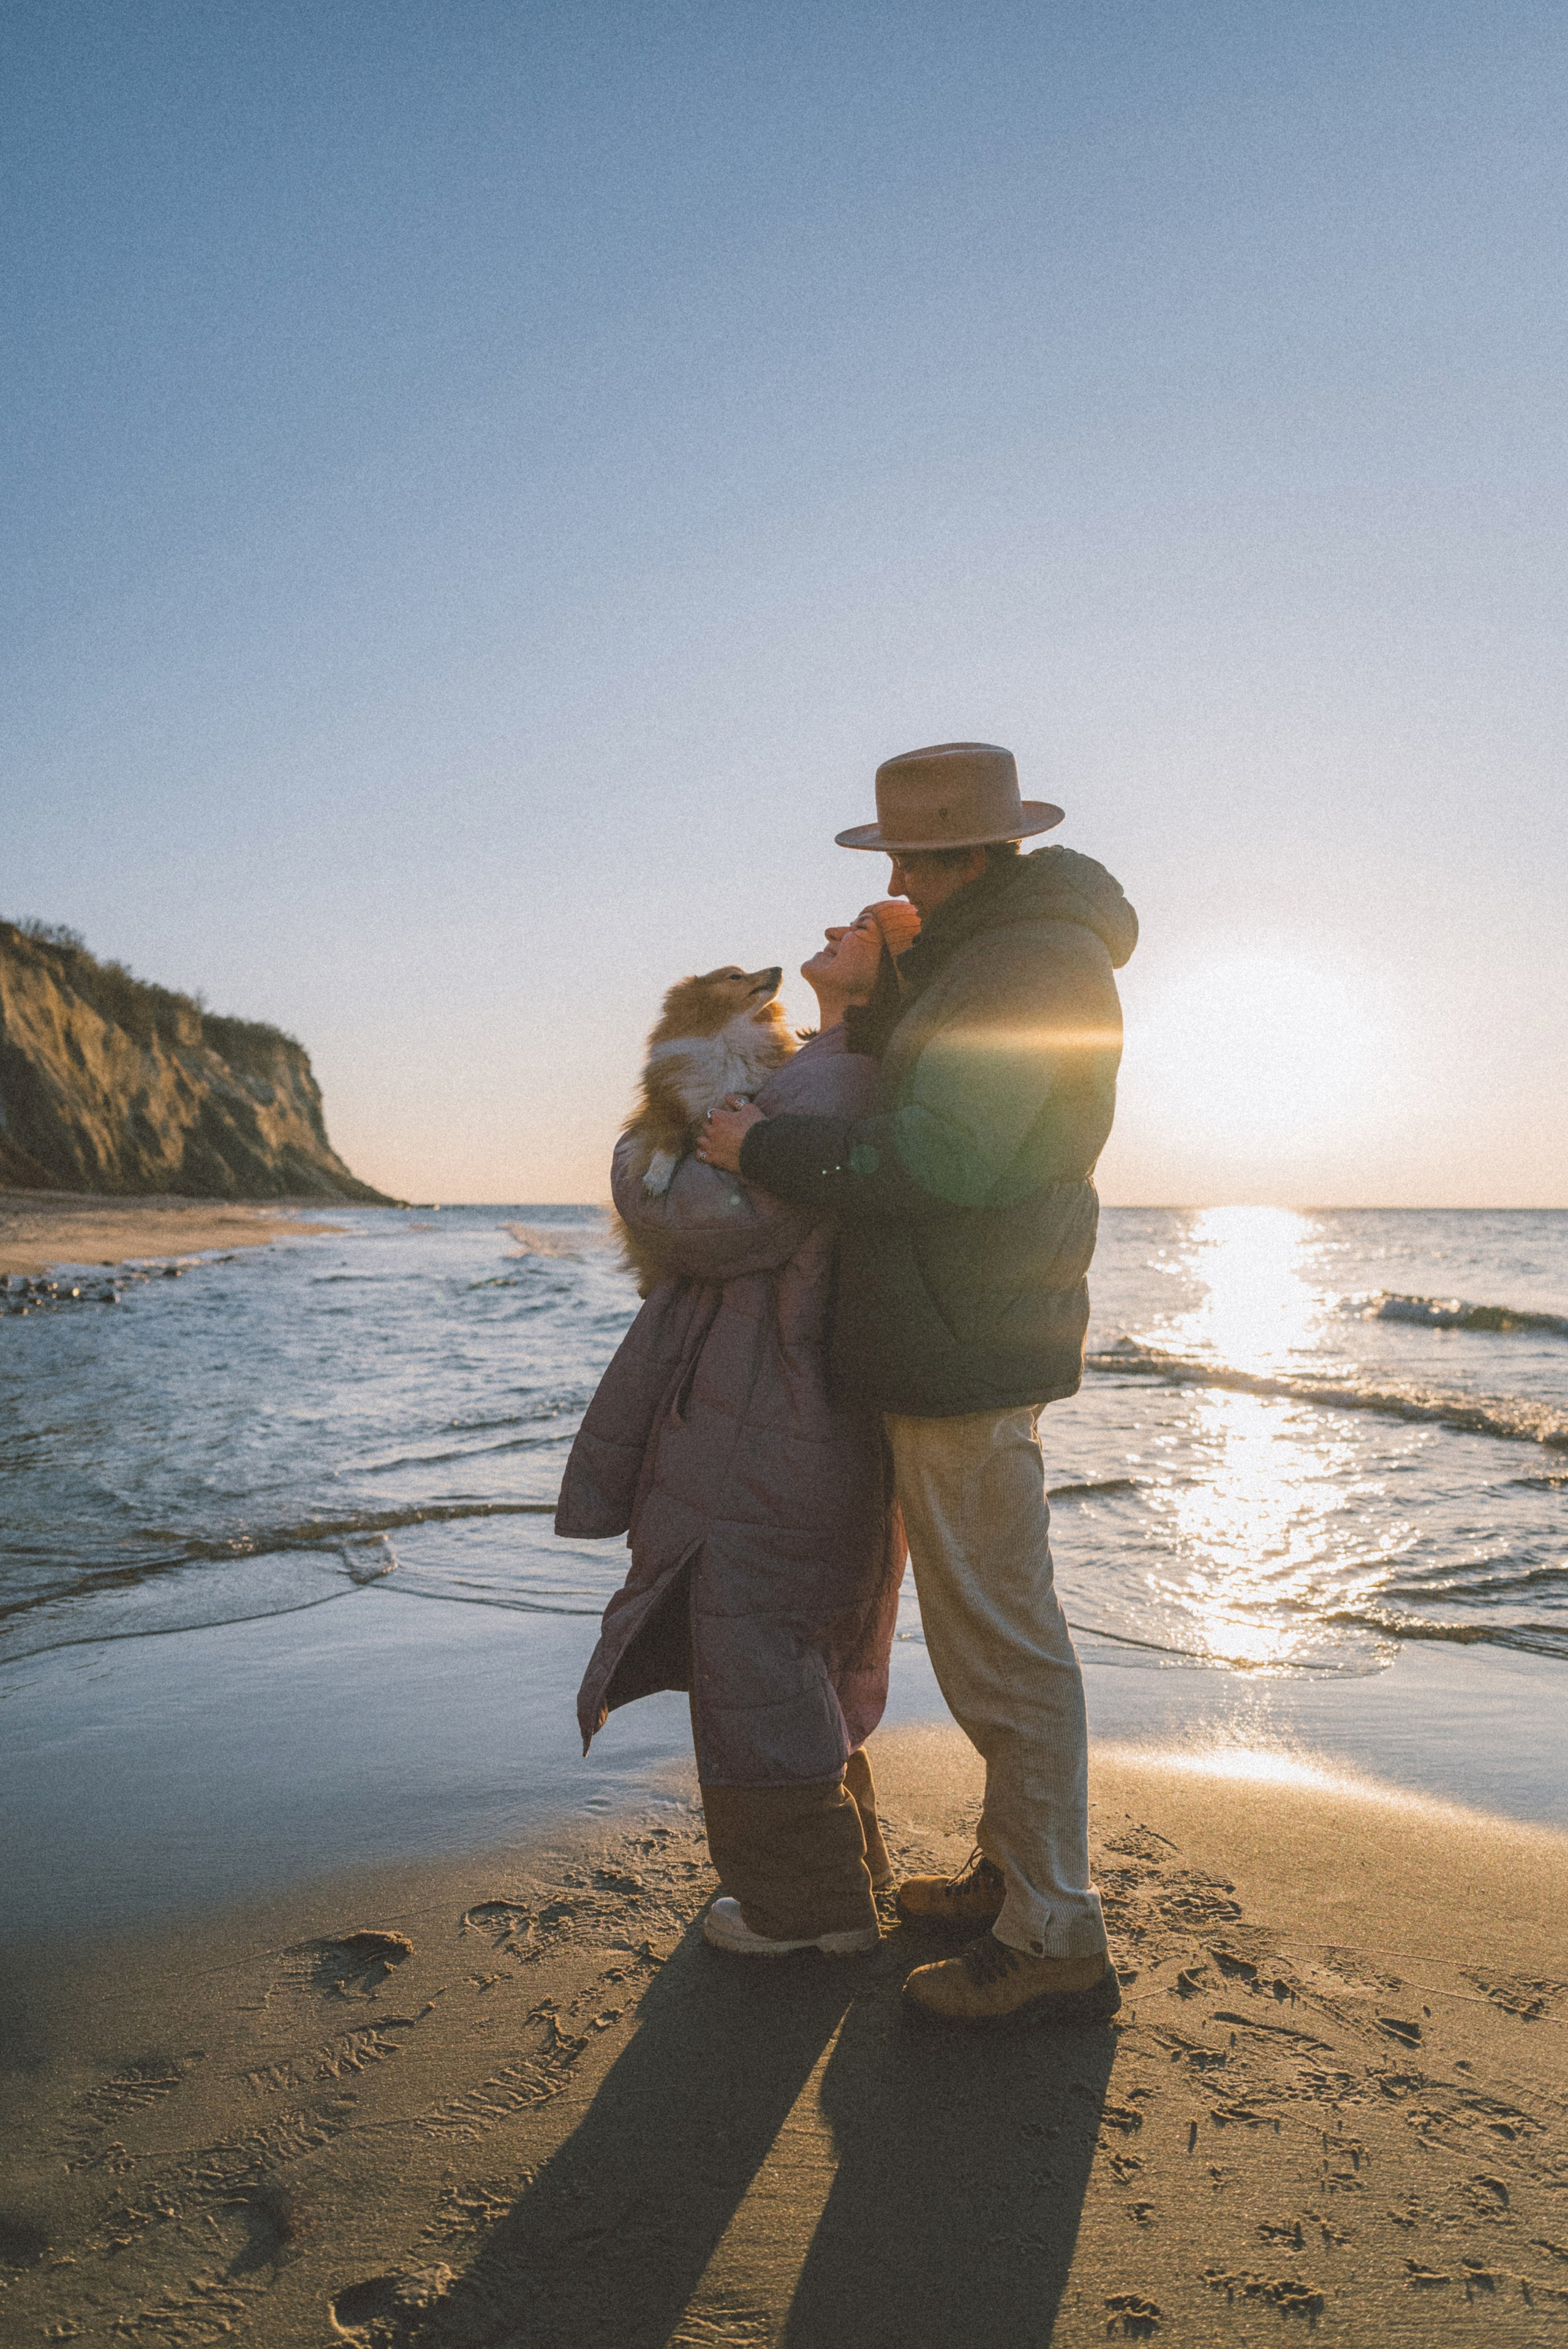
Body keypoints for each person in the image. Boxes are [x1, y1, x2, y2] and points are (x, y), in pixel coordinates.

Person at [698, 742, 1138, 2028]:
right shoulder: (992, 952)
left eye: (902, 856)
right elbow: (924, 1083)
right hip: (959, 1327)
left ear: (938, 857)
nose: (890, 874)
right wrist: (887, 981)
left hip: (969, 1335)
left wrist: (762, 1144)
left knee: (1003, 1643)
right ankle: (1016, 1878)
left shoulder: (1027, 964)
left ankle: (1054, 1932)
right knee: (981, 1630)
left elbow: (944, 1154)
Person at [557, 899, 920, 1956]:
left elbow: (715, 1221)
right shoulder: (825, 1072)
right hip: (794, 1413)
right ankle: (847, 1879)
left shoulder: (830, 1079)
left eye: (861, 929)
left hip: (773, 1419)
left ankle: (807, 1914)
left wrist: (633, 1154)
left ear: (882, 977)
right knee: (793, 1648)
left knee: (752, 1650)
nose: (833, 928)